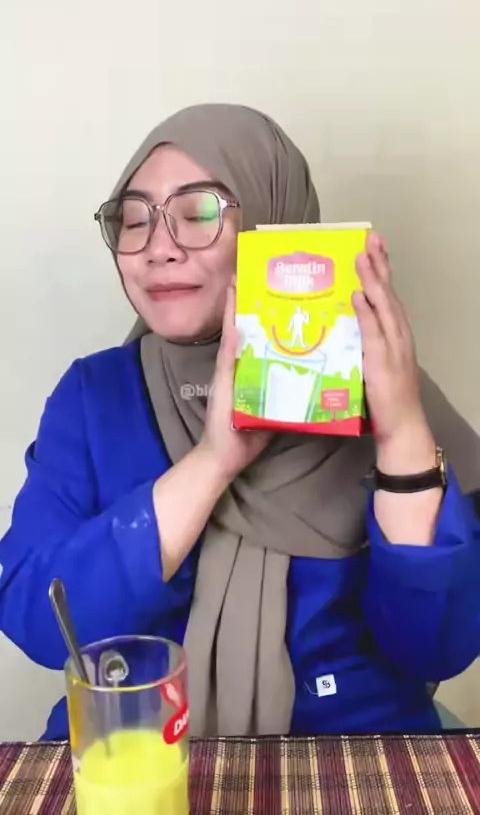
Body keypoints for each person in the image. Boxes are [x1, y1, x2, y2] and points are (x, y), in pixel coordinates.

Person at [1, 103, 480, 741]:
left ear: (272, 225)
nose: (158, 249)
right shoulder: (95, 396)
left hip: (352, 755)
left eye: (199, 214)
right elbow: (39, 620)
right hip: (133, 751)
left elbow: (438, 648)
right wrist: (212, 462)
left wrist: (401, 433)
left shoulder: (376, 384)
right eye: (134, 220)